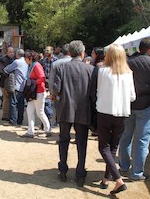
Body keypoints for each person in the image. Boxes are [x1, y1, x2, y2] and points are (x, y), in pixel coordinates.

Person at [118, 37, 150, 181]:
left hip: (128, 105)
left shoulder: (127, 63)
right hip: (146, 106)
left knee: (126, 137)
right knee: (142, 140)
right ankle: (137, 172)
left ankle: (124, 166)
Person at [91, 44, 135, 195]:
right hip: (122, 113)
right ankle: (106, 178)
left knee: (103, 147)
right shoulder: (128, 73)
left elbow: (96, 91)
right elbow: (132, 96)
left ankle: (118, 180)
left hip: (104, 111)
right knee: (113, 148)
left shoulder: (102, 70)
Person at [52, 40, 94, 188]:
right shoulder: (90, 69)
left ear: (69, 52)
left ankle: (63, 169)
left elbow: (56, 89)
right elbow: (93, 93)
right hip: (83, 110)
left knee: (63, 140)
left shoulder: (62, 67)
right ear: (82, 53)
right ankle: (80, 173)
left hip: (65, 108)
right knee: (82, 142)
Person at [22, 50, 51, 138]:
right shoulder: (32, 65)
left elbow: (42, 78)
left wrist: (32, 83)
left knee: (40, 112)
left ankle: (48, 129)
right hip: (33, 92)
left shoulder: (36, 65)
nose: (25, 60)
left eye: (26, 58)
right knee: (29, 110)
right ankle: (30, 131)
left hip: (38, 91)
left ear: (29, 58)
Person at [4, 49, 28, 126]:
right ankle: (20, 120)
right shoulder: (26, 62)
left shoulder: (17, 62)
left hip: (16, 85)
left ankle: (12, 121)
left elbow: (7, 70)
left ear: (17, 54)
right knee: (21, 105)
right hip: (23, 85)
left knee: (13, 103)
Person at [0, 47, 14, 121]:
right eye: (10, 52)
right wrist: (6, 74)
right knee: (6, 99)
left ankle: (9, 114)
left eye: (12, 52)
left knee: (9, 99)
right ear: (7, 52)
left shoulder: (14, 60)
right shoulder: (3, 60)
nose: (12, 53)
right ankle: (5, 115)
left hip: (11, 82)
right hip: (4, 82)